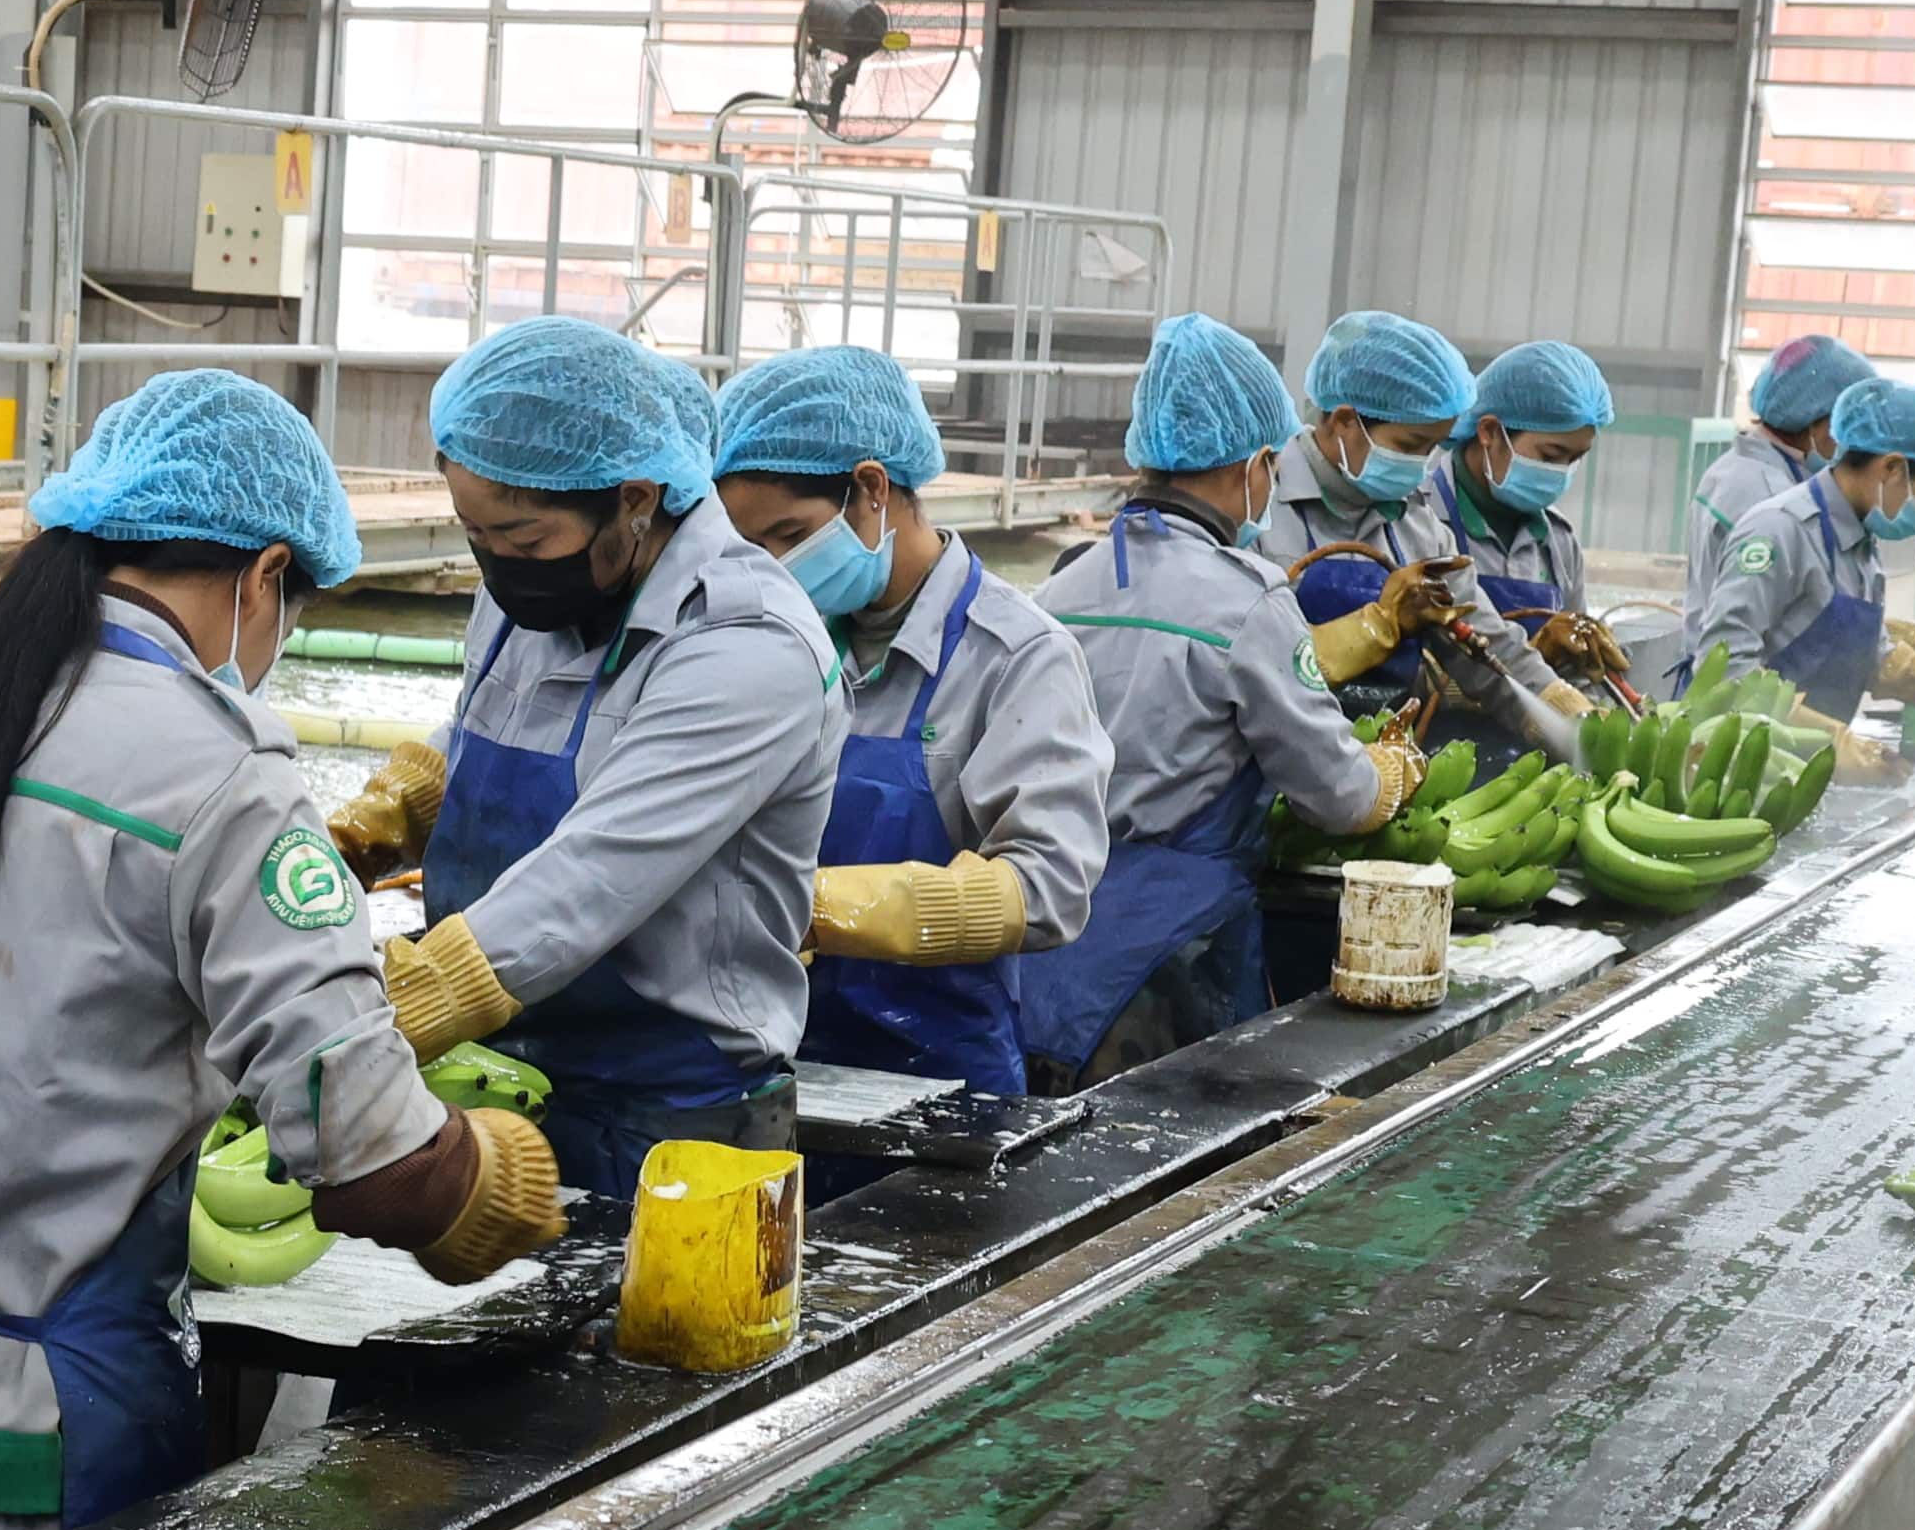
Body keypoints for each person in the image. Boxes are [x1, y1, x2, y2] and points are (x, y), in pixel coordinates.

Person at [0, 371, 562, 1530]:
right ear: (263, 577)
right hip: (29, 1453)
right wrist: (500, 1182)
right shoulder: (223, 774)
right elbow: (371, 1166)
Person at [321, 314, 839, 1205]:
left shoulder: (748, 646)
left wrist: (375, 1015)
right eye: (475, 535)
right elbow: (485, 727)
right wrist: (391, 810)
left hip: (672, 1108)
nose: (499, 564)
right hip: (496, 1064)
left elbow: (588, 880)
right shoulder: (537, 593)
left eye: (524, 542)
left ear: (635, 499)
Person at [1009, 312, 1426, 1082]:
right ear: (1255, 465)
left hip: (1048, 934)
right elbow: (1336, 796)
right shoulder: (1248, 600)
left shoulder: (1064, 585)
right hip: (1176, 950)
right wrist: (1391, 773)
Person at [707, 344, 1110, 1105]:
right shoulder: (766, 637)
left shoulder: (1017, 655)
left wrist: (823, 908)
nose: (770, 569)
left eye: (789, 536)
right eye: (748, 547)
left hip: (937, 1073)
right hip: (762, 1058)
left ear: (872, 489)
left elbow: (1050, 885)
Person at [1275, 309, 1573, 767]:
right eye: (1410, 445)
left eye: (1432, 448)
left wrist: (1562, 707)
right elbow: (1249, 661)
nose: (1421, 464)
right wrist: (1376, 626)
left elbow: (1487, 644)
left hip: (1389, 766)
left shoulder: (1418, 526)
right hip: (1276, 765)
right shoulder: (1264, 509)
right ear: (1344, 421)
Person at [1702, 375, 1915, 746]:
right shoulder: (1780, 531)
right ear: (1891, 469)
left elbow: (1870, 654)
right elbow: (1723, 666)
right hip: (1746, 753)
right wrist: (1828, 739)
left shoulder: (1860, 541)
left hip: (1808, 762)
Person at [1446, 337, 1639, 707]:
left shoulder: (1558, 541)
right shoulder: (1419, 519)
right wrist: (1537, 655)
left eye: (1575, 459)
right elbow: (1409, 673)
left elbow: (1578, 674)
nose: (1560, 472)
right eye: (1551, 455)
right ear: (1489, 432)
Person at [1696, 333, 1878, 578]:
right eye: (1847, 426)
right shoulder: (1770, 497)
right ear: (1816, 422)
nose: (1851, 442)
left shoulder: (1733, 468)